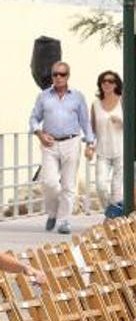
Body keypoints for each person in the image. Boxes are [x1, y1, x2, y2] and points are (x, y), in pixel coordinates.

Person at [29, 61, 95, 234]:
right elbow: (34, 119)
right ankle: (53, 212)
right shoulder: (43, 97)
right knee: (49, 182)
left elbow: (85, 122)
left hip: (72, 142)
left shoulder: (77, 97)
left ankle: (64, 220)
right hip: (49, 144)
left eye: (62, 74)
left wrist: (90, 143)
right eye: (55, 74)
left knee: (68, 184)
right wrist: (40, 134)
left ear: (68, 76)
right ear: (52, 76)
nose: (58, 77)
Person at [90, 70, 124, 216]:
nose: (107, 84)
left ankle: (113, 217)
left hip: (121, 151)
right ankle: (112, 211)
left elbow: (134, 124)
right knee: (101, 186)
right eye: (104, 81)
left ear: (116, 84)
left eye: (111, 81)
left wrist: (122, 122)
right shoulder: (96, 104)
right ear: (100, 84)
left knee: (117, 189)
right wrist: (89, 146)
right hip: (102, 152)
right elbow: (91, 129)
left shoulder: (123, 101)